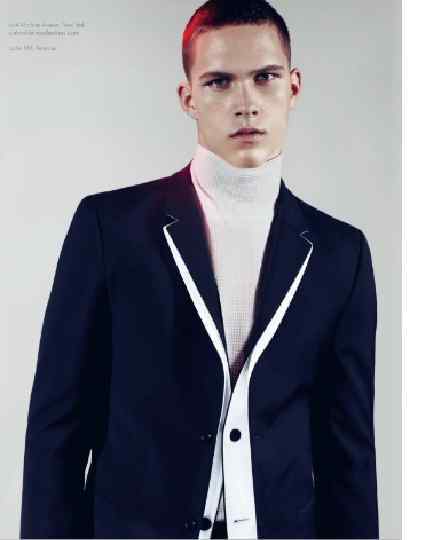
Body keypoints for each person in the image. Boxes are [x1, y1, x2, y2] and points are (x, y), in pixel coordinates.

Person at [19, 0, 379, 538]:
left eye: (264, 77)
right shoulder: (110, 228)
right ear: (188, 97)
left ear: (293, 87)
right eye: (219, 82)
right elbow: (57, 429)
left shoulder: (339, 252)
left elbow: (348, 455)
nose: (246, 103)